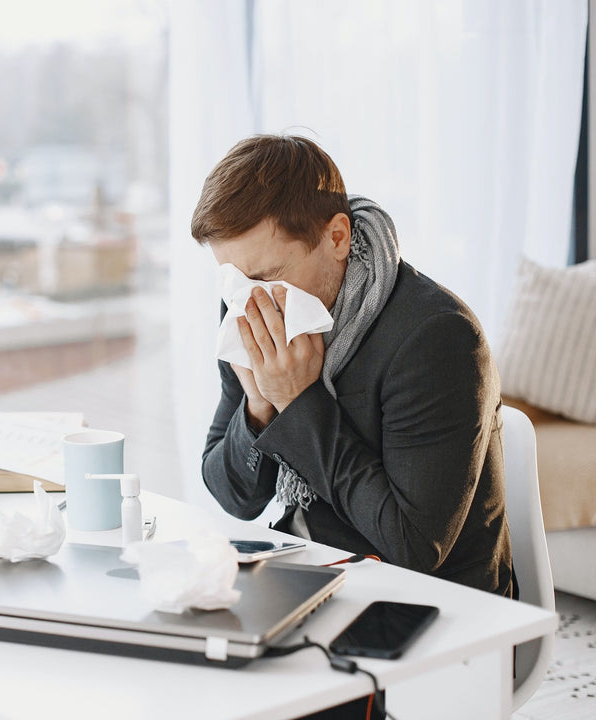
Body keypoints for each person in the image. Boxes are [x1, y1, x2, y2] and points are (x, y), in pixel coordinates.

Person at [194, 134, 514, 601]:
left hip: (434, 604)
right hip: (307, 574)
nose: (248, 299)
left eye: (264, 277)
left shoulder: (437, 337)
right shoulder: (247, 306)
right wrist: (260, 408)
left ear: (337, 238)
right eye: (232, 278)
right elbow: (234, 497)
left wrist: (298, 402)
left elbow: (414, 546)